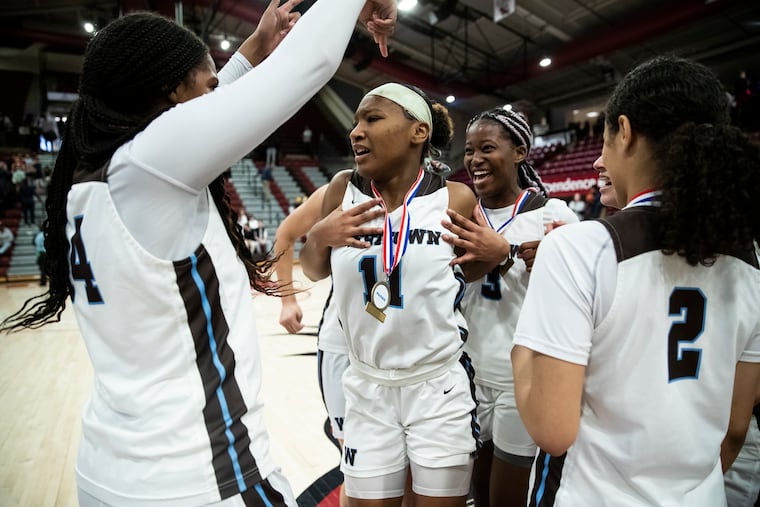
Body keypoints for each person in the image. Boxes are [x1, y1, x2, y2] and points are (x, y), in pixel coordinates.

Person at [0, 0, 397, 505]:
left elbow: (202, 103)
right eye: (207, 88)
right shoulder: (148, 164)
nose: (217, 100)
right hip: (201, 476)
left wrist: (251, 52)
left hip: (112, 470)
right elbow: (312, 62)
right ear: (169, 93)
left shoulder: (94, 174)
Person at [510, 55, 760, 506]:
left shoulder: (578, 248)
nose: (601, 159)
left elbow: (551, 429)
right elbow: (735, 430)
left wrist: (523, 347)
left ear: (623, 131)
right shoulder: (751, 261)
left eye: (604, 141)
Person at [299, 83, 494, 506]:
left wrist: (499, 253)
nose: (356, 132)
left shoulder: (453, 197)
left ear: (418, 132)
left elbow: (472, 267)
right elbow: (314, 270)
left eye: (372, 119)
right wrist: (317, 236)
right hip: (367, 387)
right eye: (355, 123)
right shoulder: (341, 190)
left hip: (437, 386)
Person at [443, 108, 577, 506]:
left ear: (519, 152)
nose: (475, 160)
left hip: (522, 381)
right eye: (469, 151)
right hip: (463, 375)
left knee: (506, 496)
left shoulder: (553, 215)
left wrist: (516, 254)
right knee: (475, 493)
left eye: (487, 148)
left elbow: (578, 300)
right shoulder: (460, 212)